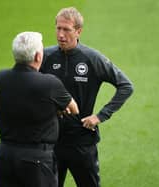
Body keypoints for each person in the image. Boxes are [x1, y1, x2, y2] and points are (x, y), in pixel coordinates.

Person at [40, 7, 134, 187]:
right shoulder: (46, 56)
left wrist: (100, 116)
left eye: (66, 29)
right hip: (51, 141)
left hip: (81, 143)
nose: (60, 35)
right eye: (58, 28)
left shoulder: (92, 58)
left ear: (78, 31)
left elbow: (126, 85)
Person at [0, 31, 79, 187]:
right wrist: (56, 109)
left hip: (6, 155)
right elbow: (73, 108)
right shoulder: (48, 83)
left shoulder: (1, 78)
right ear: (38, 56)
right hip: (36, 159)